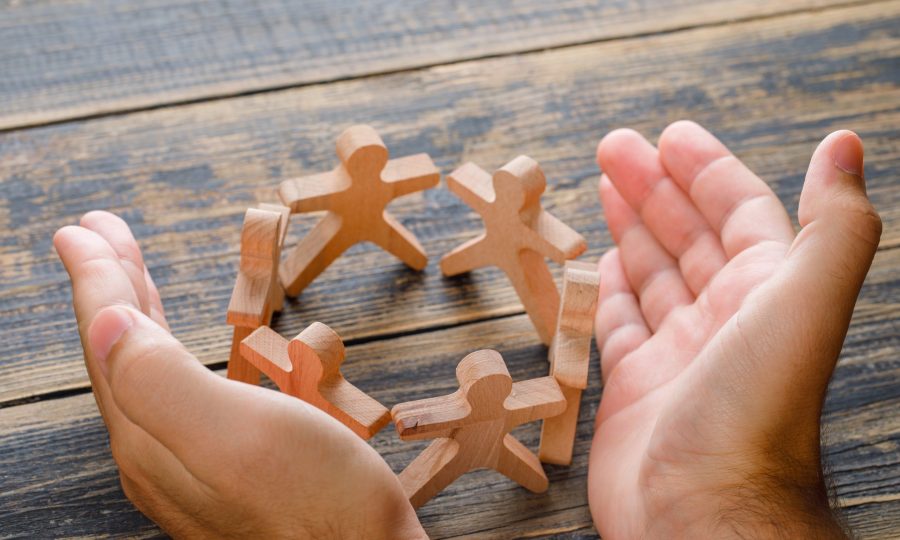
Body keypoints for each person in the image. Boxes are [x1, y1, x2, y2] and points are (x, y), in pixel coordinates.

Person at [53, 121, 880, 538]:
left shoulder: (488, 383)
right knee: (362, 255)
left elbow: (419, 416)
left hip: (496, 301)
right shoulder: (343, 343)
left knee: (520, 376)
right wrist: (720, 500)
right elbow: (408, 416)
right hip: (435, 266)